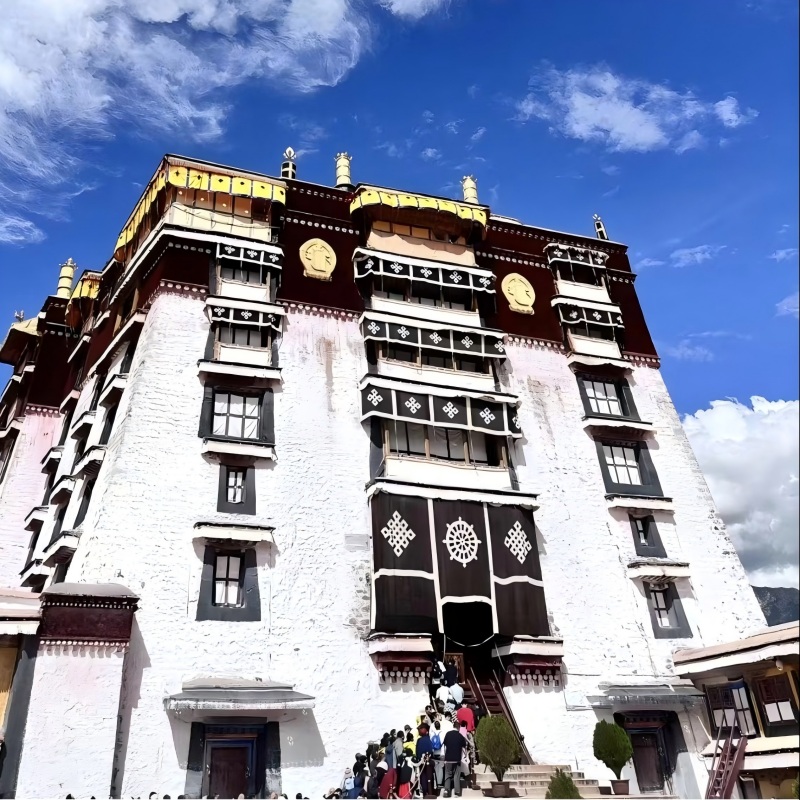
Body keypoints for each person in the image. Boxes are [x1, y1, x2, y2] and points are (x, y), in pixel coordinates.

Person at [442, 724, 467, 798]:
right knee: (457, 775)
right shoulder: (460, 736)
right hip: (457, 759)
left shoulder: (448, 734)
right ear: (459, 727)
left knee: (447, 775)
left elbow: (445, 745)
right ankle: (457, 792)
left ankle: (446, 791)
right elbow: (464, 746)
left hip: (448, 759)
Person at [414, 723, 435, 797]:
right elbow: (431, 750)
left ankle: (425, 792)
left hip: (421, 762)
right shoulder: (429, 739)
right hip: (428, 760)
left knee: (423, 776)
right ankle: (430, 792)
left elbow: (417, 752)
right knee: (429, 777)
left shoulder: (419, 740)